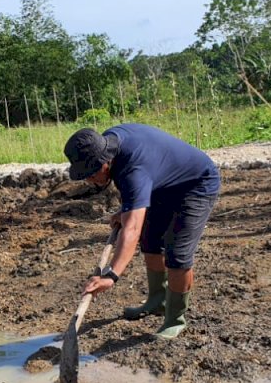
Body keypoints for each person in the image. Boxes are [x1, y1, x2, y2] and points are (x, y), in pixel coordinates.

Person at [63, 123, 220, 339]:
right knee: (150, 240)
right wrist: (128, 207)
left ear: (105, 161)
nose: (89, 180)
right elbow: (139, 183)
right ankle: (158, 301)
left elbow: (132, 228)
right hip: (163, 184)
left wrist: (112, 275)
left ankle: (175, 319)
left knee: (178, 255)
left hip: (196, 184)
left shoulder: (132, 170)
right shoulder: (108, 142)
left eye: (91, 174)